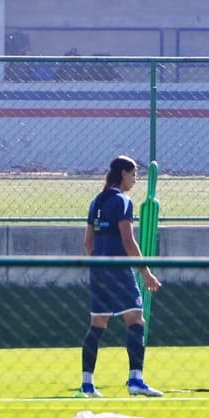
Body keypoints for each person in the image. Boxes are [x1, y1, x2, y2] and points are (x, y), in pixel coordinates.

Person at [80, 155, 162, 398]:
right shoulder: (123, 201)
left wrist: (98, 264)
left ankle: (87, 384)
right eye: (134, 174)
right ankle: (136, 381)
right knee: (136, 320)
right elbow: (128, 239)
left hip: (98, 270)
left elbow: (88, 242)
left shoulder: (96, 202)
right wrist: (145, 273)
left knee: (97, 324)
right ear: (124, 173)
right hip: (118, 270)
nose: (136, 180)